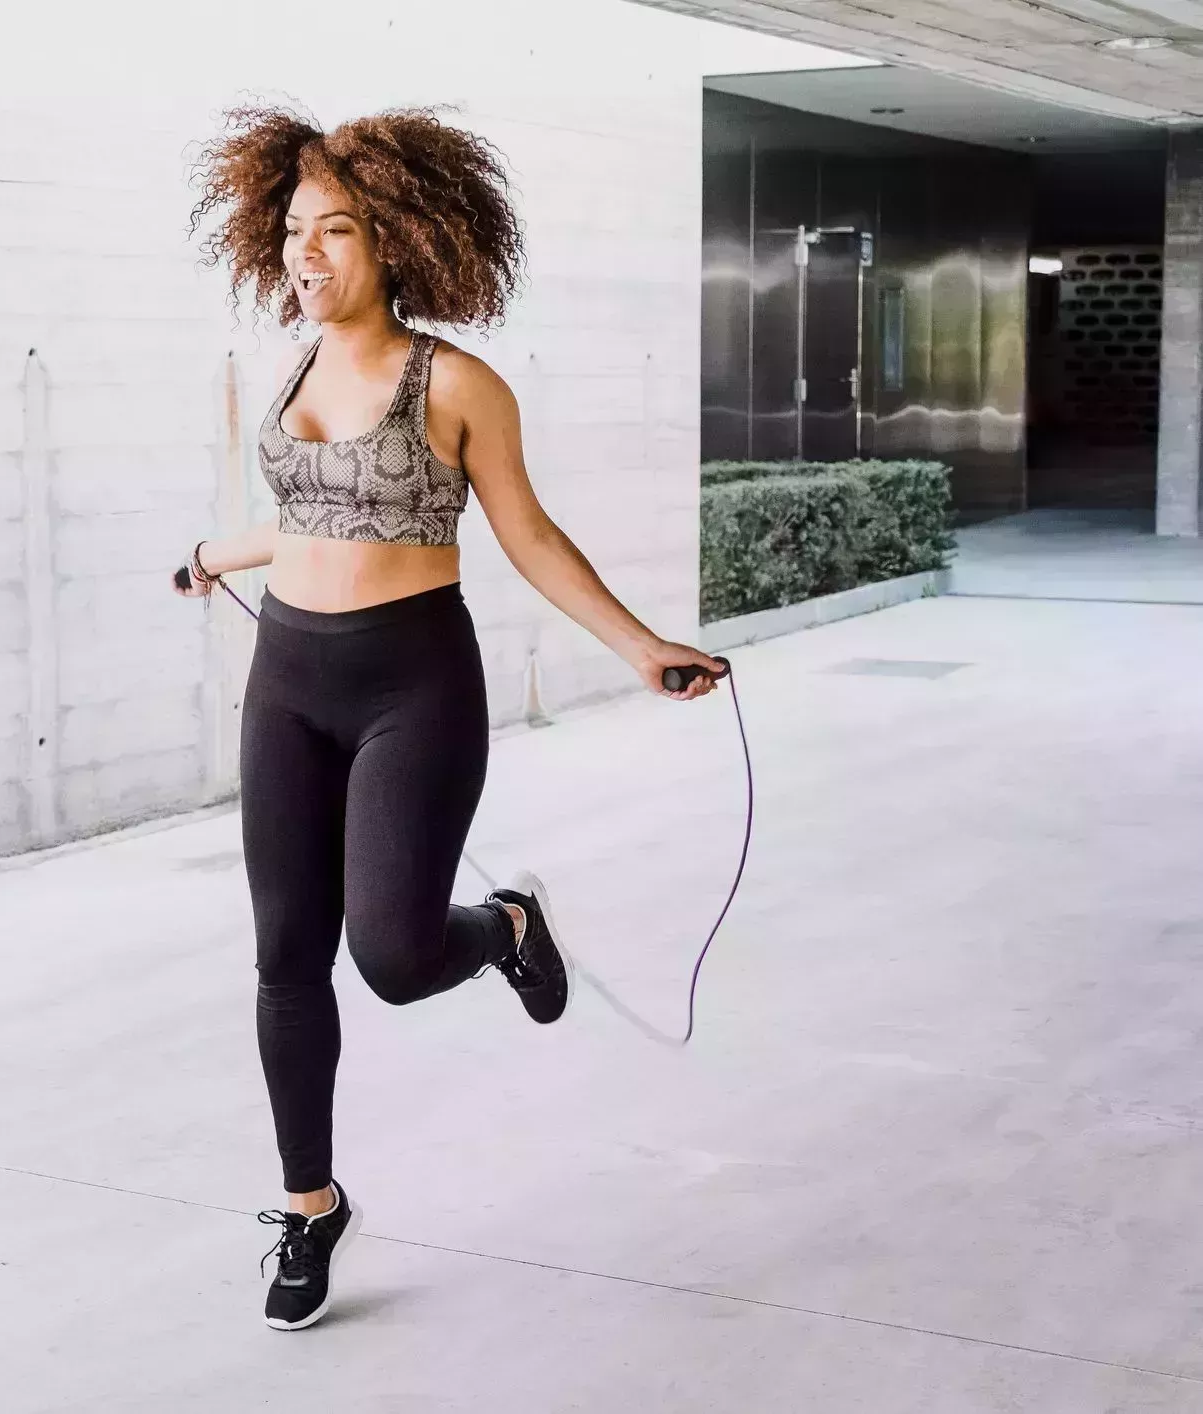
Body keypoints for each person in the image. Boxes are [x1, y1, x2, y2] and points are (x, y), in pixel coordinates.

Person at [175, 102, 723, 1332]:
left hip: (410, 684)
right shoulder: (300, 362)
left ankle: (504, 922)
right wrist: (216, 550)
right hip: (290, 684)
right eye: (293, 232)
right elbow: (315, 512)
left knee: (394, 955)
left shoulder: (457, 383)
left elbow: (525, 533)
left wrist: (642, 647)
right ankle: (310, 1206)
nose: (305, 256)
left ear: (403, 238)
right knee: (284, 957)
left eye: (337, 231)